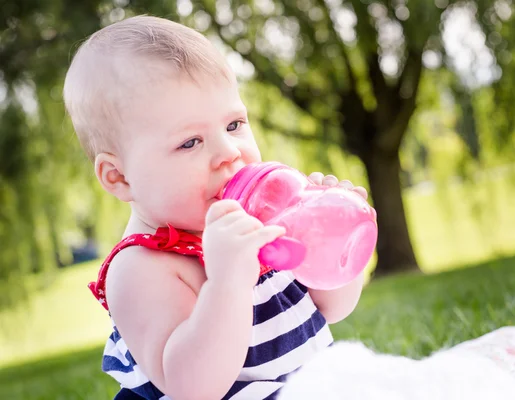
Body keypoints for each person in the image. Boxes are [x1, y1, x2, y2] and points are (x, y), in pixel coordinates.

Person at [63, 15, 367, 400]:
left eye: (234, 124)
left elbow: (329, 309)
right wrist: (228, 283)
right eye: (190, 142)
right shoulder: (141, 268)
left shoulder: (259, 222)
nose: (228, 152)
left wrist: (332, 238)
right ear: (119, 177)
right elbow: (193, 387)